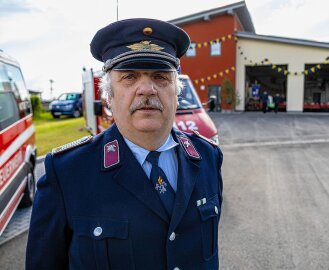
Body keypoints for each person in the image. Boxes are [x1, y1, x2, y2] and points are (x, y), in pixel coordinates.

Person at [26, 18, 223, 270]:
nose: (147, 89)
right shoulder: (66, 173)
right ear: (109, 96)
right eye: (129, 77)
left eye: (161, 77)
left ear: (177, 91)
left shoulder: (208, 157)